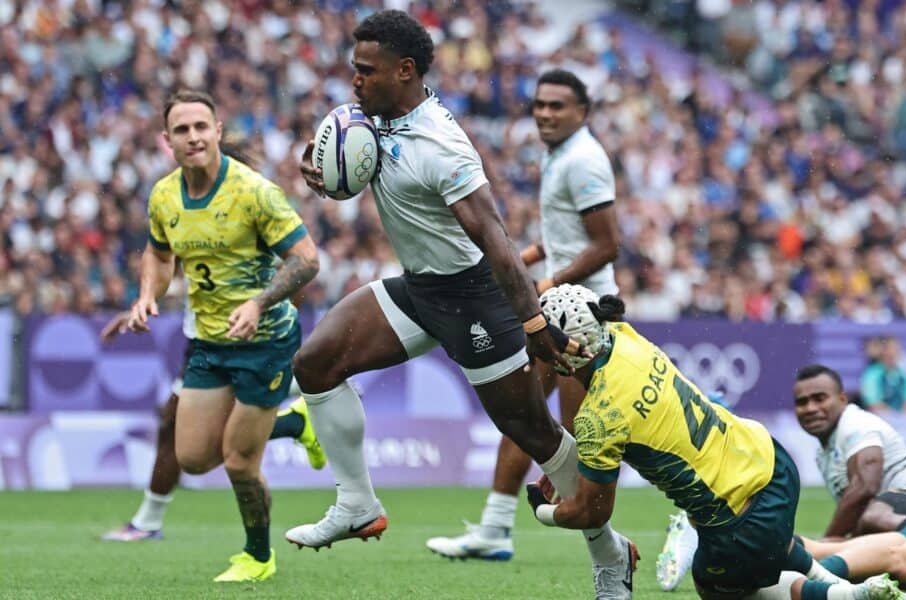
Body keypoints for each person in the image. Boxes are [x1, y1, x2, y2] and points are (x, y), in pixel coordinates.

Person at [286, 11, 635, 599]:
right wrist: (314, 162)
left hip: (474, 296)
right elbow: (337, 147)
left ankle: (610, 550)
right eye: (354, 70)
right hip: (421, 288)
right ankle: (356, 504)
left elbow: (495, 240)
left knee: (535, 432)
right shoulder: (373, 114)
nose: (355, 81)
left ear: (405, 71)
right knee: (315, 363)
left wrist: (531, 322)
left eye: (366, 71)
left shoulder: (443, 146)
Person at [526, 284, 906, 600]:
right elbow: (618, 413)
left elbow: (591, 514)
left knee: (717, 588)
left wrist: (542, 512)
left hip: (741, 523)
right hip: (772, 463)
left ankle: (843, 599)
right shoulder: (627, 337)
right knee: (764, 543)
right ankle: (854, 589)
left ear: (562, 355)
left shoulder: (598, 419)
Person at [426, 68, 620, 561]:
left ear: (583, 112)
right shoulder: (559, 155)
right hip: (557, 310)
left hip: (585, 321)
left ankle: (633, 538)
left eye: (557, 106)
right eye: (540, 105)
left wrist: (549, 284)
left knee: (581, 437)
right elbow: (565, 237)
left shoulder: (584, 161)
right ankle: (493, 529)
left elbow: (607, 244)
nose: (545, 114)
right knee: (523, 412)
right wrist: (524, 260)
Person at [127, 89, 320, 582]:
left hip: (266, 341)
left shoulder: (255, 192)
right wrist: (148, 293)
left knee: (238, 461)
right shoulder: (165, 195)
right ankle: (297, 424)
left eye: (200, 127)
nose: (192, 137)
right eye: (181, 130)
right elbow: (159, 253)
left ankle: (257, 557)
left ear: (216, 131)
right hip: (211, 344)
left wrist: (258, 303)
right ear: (167, 140)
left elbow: (306, 259)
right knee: (191, 457)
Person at [100, 305, 327, 542]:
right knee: (174, 424)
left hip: (228, 332)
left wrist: (259, 305)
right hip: (204, 331)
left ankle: (311, 396)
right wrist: (146, 302)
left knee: (190, 433)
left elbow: (299, 268)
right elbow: (174, 269)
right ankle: (148, 521)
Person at [792, 364, 906, 539]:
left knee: (871, 520)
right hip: (902, 510)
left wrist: (827, 541)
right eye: (801, 402)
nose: (810, 408)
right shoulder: (823, 455)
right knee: (859, 540)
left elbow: (865, 488)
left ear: (843, 400)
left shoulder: (854, 424)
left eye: (819, 398)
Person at [859, 337, 906, 414]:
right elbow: (873, 404)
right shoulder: (871, 374)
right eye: (889, 349)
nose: (893, 353)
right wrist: (894, 418)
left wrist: (903, 420)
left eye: (896, 349)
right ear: (883, 352)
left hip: (903, 422)